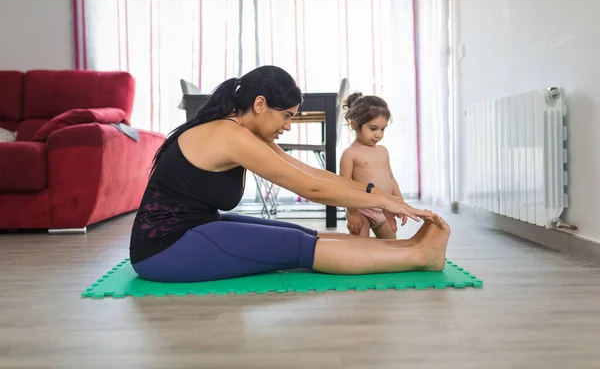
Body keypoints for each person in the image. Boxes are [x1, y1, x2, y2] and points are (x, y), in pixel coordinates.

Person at [129, 65, 451, 283]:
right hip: (165, 249)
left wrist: (379, 196)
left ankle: (408, 248)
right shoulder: (230, 136)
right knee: (296, 247)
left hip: (193, 229)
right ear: (259, 104)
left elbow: (311, 172)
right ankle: (421, 257)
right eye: (285, 116)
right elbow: (314, 190)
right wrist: (387, 203)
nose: (286, 126)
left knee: (304, 235)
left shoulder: (243, 132)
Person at [339, 92, 406, 239]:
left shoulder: (383, 151)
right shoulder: (350, 154)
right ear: (354, 124)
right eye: (373, 128)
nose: (378, 135)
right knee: (360, 248)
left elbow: (391, 178)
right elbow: (344, 186)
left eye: (383, 129)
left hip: (384, 208)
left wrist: (400, 203)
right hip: (362, 210)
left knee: (391, 246)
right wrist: (353, 212)